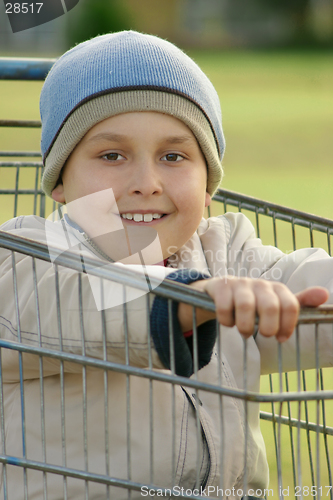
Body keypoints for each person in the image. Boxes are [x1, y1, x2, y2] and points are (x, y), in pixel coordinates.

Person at [0, 30, 332, 499]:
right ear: (60, 182)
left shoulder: (227, 254)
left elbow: (304, 287)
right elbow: (83, 300)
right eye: (111, 155)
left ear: (208, 185)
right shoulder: (24, 259)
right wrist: (190, 297)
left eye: (173, 156)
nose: (147, 182)